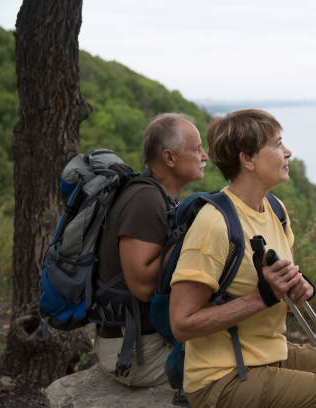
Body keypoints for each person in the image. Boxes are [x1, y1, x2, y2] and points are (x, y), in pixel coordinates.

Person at [169, 109, 316, 407]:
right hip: (220, 377)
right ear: (247, 159)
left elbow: (280, 293)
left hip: (270, 354)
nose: (287, 152)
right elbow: (181, 323)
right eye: (277, 144)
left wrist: (298, 288)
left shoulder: (275, 210)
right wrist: (261, 296)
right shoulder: (214, 224)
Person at [95, 113, 208, 387]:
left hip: (146, 340)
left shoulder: (162, 197)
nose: (205, 156)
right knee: (237, 363)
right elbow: (142, 286)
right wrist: (187, 241)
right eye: (196, 149)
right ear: (169, 158)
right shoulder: (144, 200)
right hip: (134, 353)